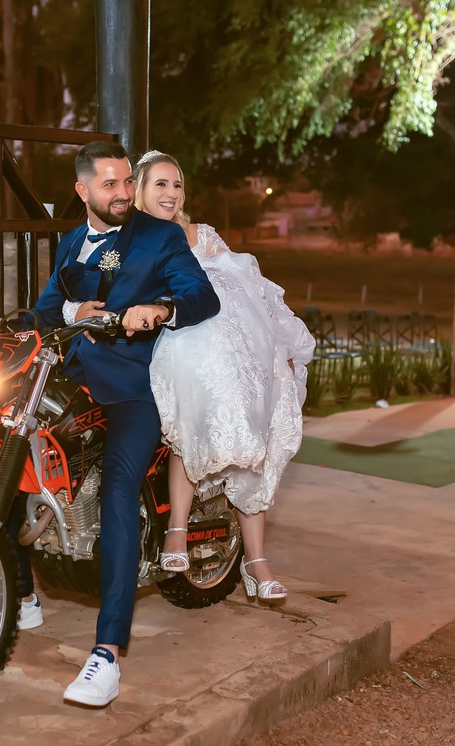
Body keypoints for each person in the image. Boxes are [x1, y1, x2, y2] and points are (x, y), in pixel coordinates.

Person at [0, 141, 220, 708]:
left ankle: (107, 654)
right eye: (109, 184)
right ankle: (22, 595)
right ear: (82, 191)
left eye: (127, 181)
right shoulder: (71, 241)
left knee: (116, 491)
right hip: (73, 378)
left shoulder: (159, 237)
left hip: (134, 385)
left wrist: (161, 310)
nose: (123, 193)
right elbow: (48, 308)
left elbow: (201, 296)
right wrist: (5, 320)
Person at [71, 150, 314, 604]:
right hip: (168, 346)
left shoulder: (200, 235)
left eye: (177, 184)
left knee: (253, 416)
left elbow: (249, 290)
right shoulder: (122, 241)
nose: (171, 193)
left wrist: (277, 345)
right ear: (137, 190)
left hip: (223, 345)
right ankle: (176, 531)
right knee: (190, 402)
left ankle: (255, 558)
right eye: (160, 184)